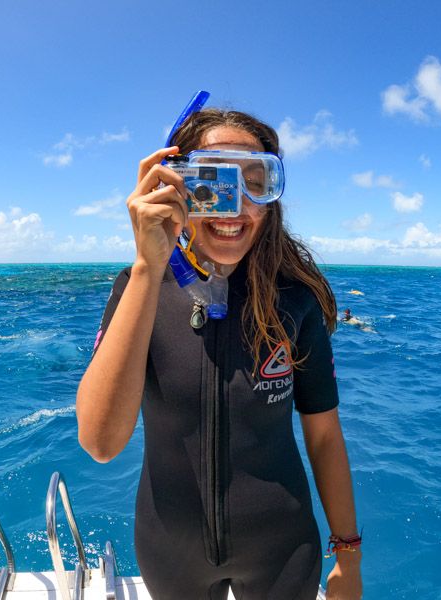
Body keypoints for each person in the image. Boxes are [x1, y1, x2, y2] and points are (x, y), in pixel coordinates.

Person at [76, 107, 362, 599]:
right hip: (172, 554)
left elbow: (324, 437)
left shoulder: (294, 300)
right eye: (213, 182)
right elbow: (101, 443)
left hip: (283, 551)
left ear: (272, 200)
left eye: (257, 181)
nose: (235, 208)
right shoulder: (140, 288)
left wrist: (349, 556)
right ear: (173, 186)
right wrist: (148, 265)